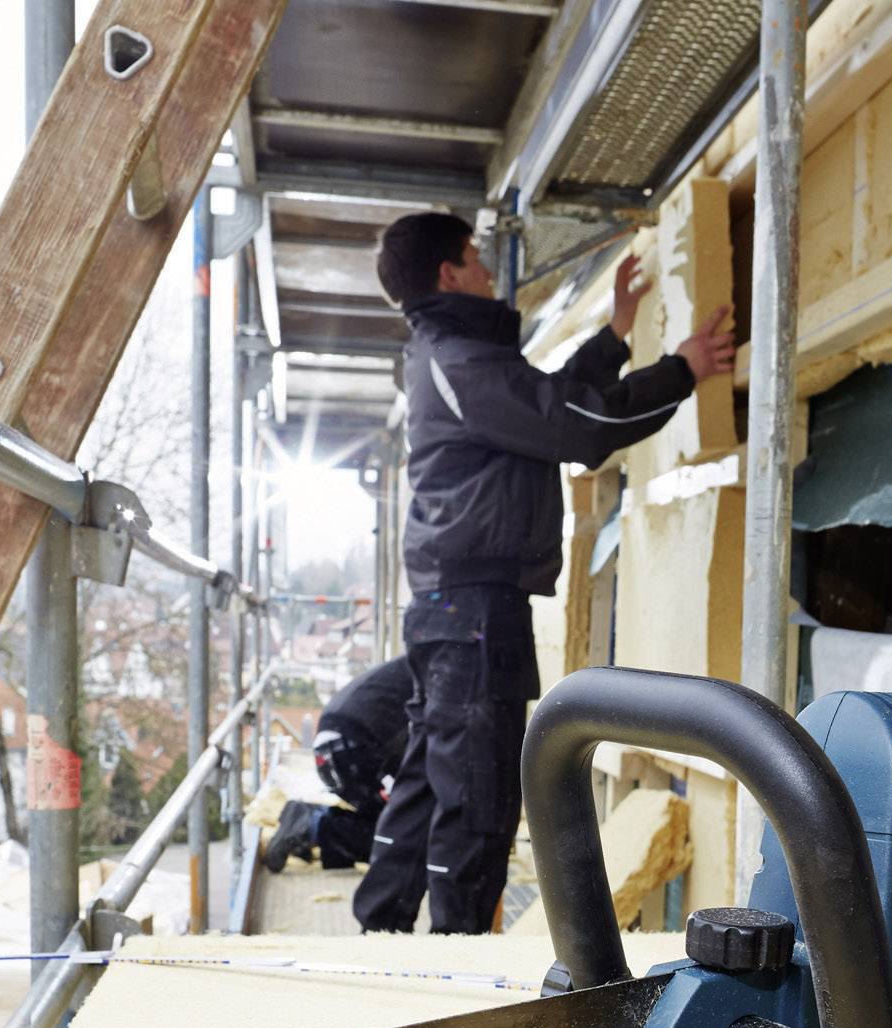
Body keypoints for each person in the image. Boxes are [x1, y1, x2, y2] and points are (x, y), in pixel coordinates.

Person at [351, 211, 734, 934]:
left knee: (433, 785)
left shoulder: (453, 355)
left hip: (456, 605)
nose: (491, 272)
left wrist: (615, 334)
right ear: (448, 273)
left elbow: (540, 408)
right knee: (478, 797)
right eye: (476, 257)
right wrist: (682, 370)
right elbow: (575, 426)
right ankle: (458, 963)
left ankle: (383, 932)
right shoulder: (458, 359)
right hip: (470, 610)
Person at [262, 656, 411, 872]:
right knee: (404, 837)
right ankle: (312, 825)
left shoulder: (432, 658)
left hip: (342, 742)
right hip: (352, 746)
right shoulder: (443, 671)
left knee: (394, 824)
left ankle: (317, 828)